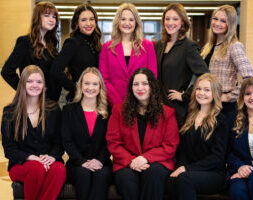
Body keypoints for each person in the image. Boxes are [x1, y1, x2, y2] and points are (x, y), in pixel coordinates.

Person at [106, 68, 179, 200]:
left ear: (152, 86)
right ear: (131, 87)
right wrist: (131, 161)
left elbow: (170, 146)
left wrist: (145, 158)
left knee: (154, 173)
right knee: (126, 178)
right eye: (136, 84)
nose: (140, 88)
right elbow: (113, 142)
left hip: (158, 163)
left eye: (145, 84)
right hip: (126, 162)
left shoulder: (167, 113)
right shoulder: (119, 110)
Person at [1, 65, 66, 200]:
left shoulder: (53, 109)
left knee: (59, 169)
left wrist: (52, 157)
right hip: (22, 164)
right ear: (22, 84)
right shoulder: (10, 112)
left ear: (43, 85)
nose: (34, 85)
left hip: (49, 161)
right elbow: (9, 149)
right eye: (29, 81)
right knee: (36, 168)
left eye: (39, 82)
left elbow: (59, 142)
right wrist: (31, 157)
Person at [169, 73, 228, 199]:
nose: (201, 93)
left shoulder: (221, 121)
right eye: (198, 88)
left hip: (213, 173)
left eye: (207, 90)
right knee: (167, 179)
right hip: (189, 170)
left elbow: (217, 157)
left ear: (215, 94)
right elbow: (182, 150)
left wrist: (187, 169)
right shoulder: (189, 116)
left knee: (185, 179)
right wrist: (180, 167)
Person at [154, 3, 209, 128]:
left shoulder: (188, 47)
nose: (170, 22)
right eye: (167, 19)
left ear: (182, 22)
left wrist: (185, 95)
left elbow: (205, 76)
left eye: (175, 19)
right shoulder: (159, 45)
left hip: (177, 109)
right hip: (159, 107)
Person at [62, 67, 112, 200]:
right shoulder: (69, 110)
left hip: (102, 163)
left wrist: (100, 161)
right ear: (80, 85)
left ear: (100, 87)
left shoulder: (108, 111)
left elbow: (110, 141)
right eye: (87, 83)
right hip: (76, 164)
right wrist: (82, 161)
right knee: (83, 174)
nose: (90, 87)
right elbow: (67, 141)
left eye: (95, 84)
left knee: (101, 175)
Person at [201, 5, 253, 116]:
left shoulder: (234, 46)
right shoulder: (209, 46)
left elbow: (251, 77)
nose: (217, 23)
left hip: (225, 107)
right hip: (209, 102)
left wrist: (230, 96)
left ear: (230, 25)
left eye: (223, 21)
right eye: (215, 19)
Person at [99, 3, 157, 106]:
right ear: (118, 22)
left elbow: (152, 77)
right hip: (114, 104)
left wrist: (141, 100)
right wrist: (117, 102)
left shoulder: (147, 46)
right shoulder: (107, 48)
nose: (127, 23)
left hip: (141, 103)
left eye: (131, 19)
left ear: (136, 23)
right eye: (123, 19)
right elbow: (104, 79)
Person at [1, 1, 61, 101]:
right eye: (47, 15)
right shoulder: (25, 42)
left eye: (54, 17)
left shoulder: (51, 44)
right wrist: (24, 90)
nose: (52, 20)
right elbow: (7, 71)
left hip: (52, 101)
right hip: (33, 101)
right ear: (37, 18)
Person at [51, 4, 102, 101]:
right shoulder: (72, 43)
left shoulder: (96, 44)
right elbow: (55, 70)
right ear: (77, 23)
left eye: (91, 19)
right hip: (79, 100)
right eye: (83, 20)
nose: (89, 23)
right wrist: (75, 88)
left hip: (96, 98)